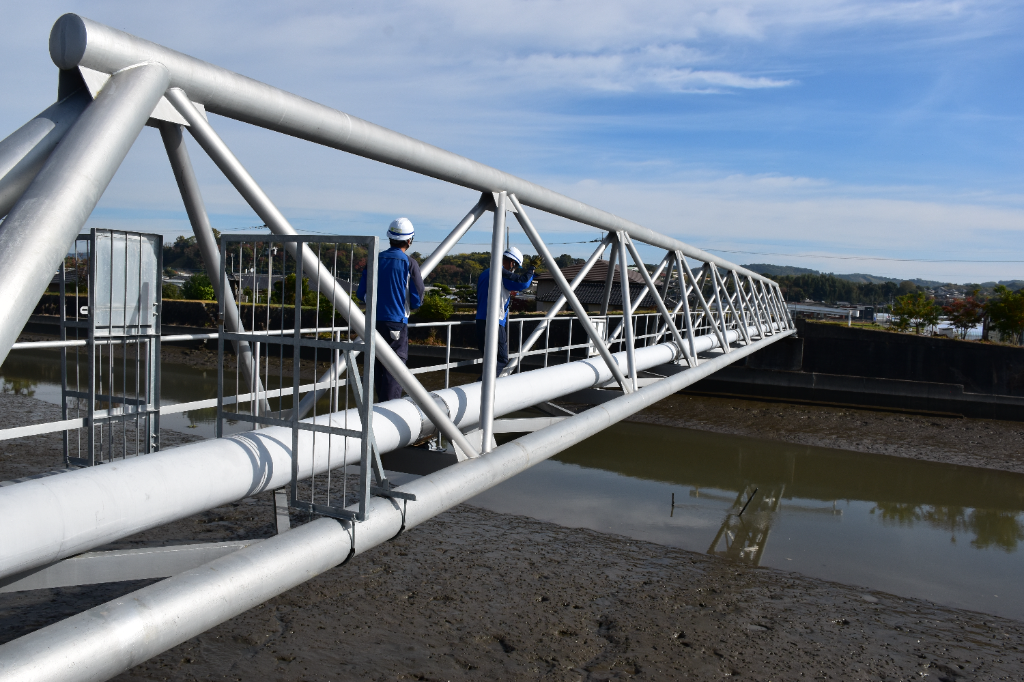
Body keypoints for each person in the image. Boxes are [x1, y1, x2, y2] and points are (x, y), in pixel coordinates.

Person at [356, 218, 424, 401]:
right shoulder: (409, 264)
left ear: (390, 238)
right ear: (410, 240)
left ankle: (377, 409)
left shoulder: (375, 259)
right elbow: (417, 298)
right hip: (396, 323)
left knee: (377, 365)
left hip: (373, 322)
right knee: (394, 370)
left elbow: (361, 293)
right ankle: (390, 411)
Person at [475, 246, 535, 376]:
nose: (512, 270)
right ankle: (483, 387)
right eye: (514, 267)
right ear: (512, 262)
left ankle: (481, 389)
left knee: (488, 358)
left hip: (480, 320)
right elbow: (523, 283)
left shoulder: (485, 273)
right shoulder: (501, 273)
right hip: (494, 321)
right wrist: (532, 270)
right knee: (501, 359)